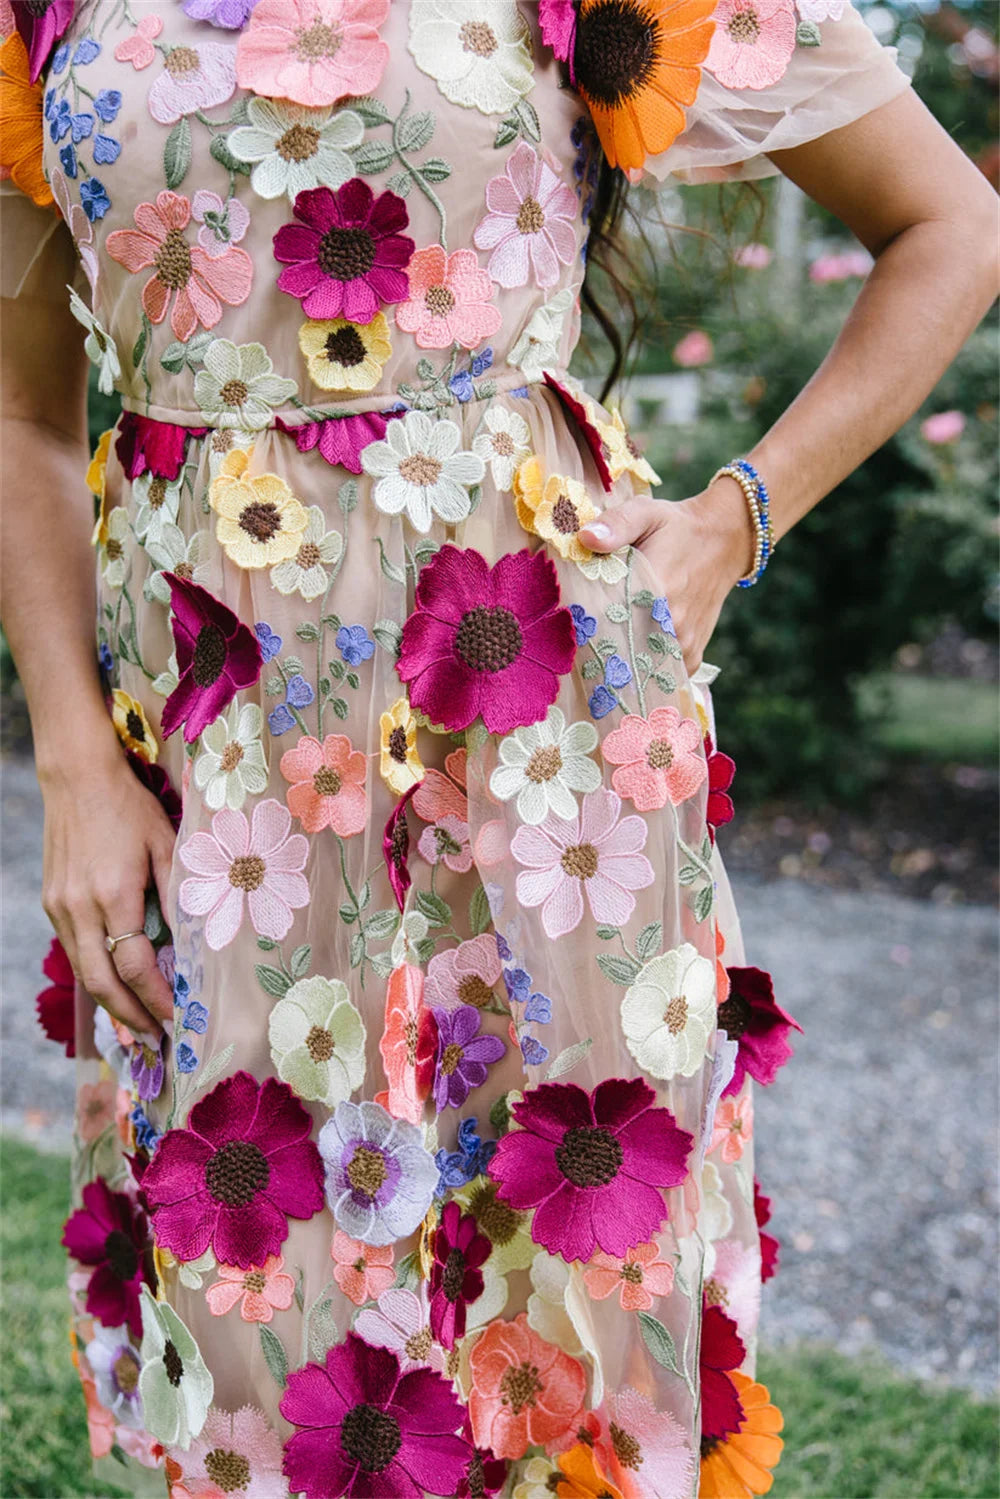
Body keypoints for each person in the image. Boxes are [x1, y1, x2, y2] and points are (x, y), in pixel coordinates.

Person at [1, 1, 995, 1495]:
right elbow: (19, 409)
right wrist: (72, 761)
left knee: (565, 1270)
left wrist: (739, 515)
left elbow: (951, 222)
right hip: (217, 766)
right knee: (260, 1277)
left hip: (550, 745)